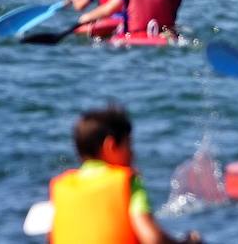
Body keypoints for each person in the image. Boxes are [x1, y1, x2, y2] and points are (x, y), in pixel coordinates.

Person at [48, 105, 200, 244]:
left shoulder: (61, 187)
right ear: (111, 146)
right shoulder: (126, 182)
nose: (132, 153)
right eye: (129, 144)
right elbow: (152, 238)